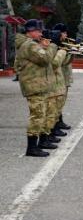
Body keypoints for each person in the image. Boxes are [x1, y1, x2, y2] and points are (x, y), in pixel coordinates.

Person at [15, 19, 57, 156]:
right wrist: (52, 46)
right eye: (38, 31)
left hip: (37, 85)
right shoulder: (29, 45)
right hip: (34, 86)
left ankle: (37, 144)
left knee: (40, 114)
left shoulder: (32, 44)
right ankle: (31, 148)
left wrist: (44, 46)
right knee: (37, 116)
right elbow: (45, 59)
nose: (41, 33)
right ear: (30, 31)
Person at [42, 30, 69, 143]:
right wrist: (62, 51)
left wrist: (69, 53)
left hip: (57, 82)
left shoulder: (52, 49)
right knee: (50, 112)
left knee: (54, 111)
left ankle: (51, 133)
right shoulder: (47, 50)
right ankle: (46, 136)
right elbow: (54, 63)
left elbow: (64, 62)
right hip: (51, 84)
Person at [52, 23, 73, 131]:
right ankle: (55, 124)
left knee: (61, 102)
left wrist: (71, 51)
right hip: (59, 78)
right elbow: (61, 62)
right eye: (64, 33)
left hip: (65, 77)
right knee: (57, 102)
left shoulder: (64, 44)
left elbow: (68, 62)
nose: (66, 35)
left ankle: (59, 121)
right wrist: (67, 52)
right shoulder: (55, 46)